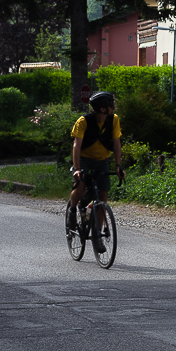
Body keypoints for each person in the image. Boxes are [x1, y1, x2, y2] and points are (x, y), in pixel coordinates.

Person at [66, 91, 125, 245]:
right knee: (80, 187)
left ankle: (97, 234)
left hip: (101, 160)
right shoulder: (83, 121)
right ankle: (72, 210)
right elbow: (76, 146)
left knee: (103, 196)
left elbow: (117, 144)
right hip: (84, 159)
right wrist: (77, 168)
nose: (114, 107)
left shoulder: (114, 120)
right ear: (103, 109)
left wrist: (119, 165)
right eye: (111, 104)